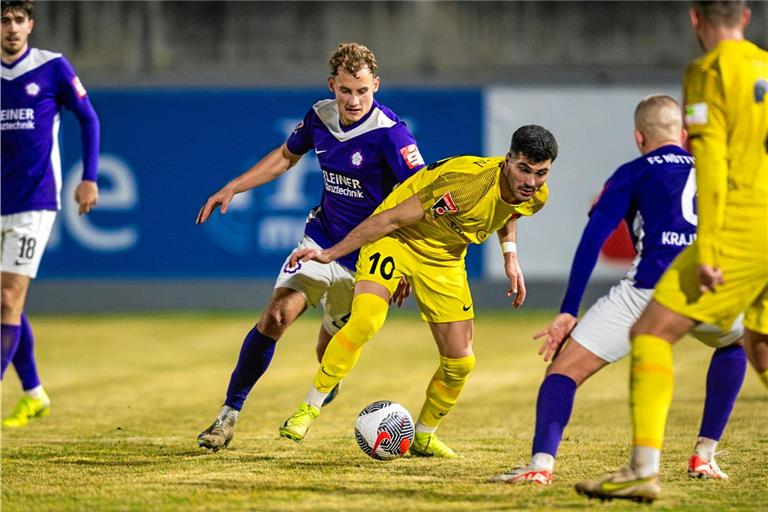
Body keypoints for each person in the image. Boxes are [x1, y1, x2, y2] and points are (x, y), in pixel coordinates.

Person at [489, 96, 745, 487]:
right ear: (681, 133)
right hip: (711, 284)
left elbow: (594, 239)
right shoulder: (717, 171)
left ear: (639, 137)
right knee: (734, 344)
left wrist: (569, 309)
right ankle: (704, 456)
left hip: (649, 290)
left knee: (563, 371)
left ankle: (540, 465)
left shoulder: (634, 171)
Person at [576, 0, 768, 503]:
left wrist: (709, 247)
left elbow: (705, 156)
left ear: (695, 19)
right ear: (745, 18)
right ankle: (688, 456)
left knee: (650, 332)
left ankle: (643, 470)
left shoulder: (706, 71)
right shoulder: (765, 67)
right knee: (760, 348)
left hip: (739, 229)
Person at [195, 42, 424, 451]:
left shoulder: (391, 134)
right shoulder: (319, 115)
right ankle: (227, 416)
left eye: (363, 91)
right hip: (319, 242)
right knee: (276, 316)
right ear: (332, 84)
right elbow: (285, 157)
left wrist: (404, 261)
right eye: (346, 90)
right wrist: (233, 187)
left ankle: (327, 371)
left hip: (369, 260)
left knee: (328, 353)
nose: (354, 101)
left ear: (376, 86)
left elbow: (418, 199)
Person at [279, 125, 558, 458]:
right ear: (507, 161)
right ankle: (309, 407)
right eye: (523, 170)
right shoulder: (465, 184)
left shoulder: (536, 194)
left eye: (540, 173)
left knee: (461, 362)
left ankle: (424, 436)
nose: (530, 181)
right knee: (366, 320)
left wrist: (510, 258)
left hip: (445, 257)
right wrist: (330, 253)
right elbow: (391, 219)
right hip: (397, 240)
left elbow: (509, 209)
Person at [1, 0, 100, 427]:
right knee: (7, 303)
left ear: (31, 24)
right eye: (4, 20)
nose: (11, 27)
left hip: (33, 202)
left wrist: (90, 177)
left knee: (7, 297)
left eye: (18, 19)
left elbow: (88, 118)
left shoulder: (52, 67)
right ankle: (35, 392)